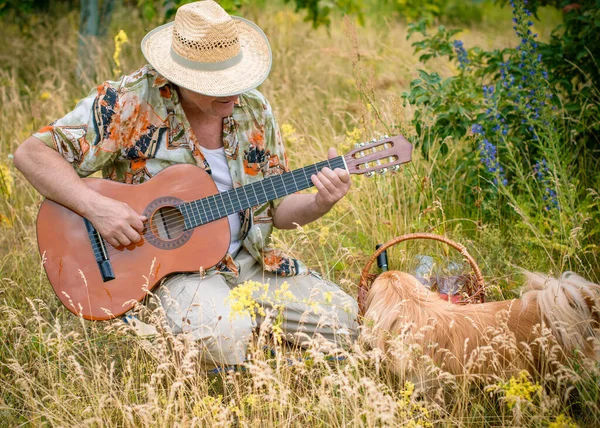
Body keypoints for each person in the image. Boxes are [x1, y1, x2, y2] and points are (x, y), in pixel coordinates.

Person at [13, 0, 358, 366]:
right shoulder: (128, 100)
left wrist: (322, 202)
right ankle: (200, 331)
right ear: (178, 74)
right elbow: (31, 154)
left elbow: (277, 212)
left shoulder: (254, 110)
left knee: (344, 319)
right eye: (217, 84)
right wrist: (96, 208)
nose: (233, 93)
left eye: (237, 79)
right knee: (223, 336)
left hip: (250, 263)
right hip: (168, 271)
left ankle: (250, 342)